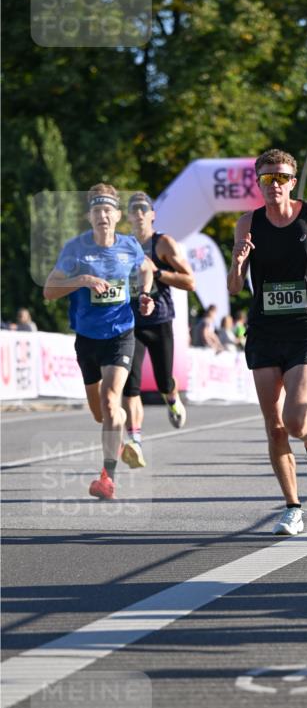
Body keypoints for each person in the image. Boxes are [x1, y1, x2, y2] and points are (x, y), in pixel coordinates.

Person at [228, 148, 307, 536]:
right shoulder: (247, 223)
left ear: (292, 182)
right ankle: (293, 507)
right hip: (264, 330)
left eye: (281, 177)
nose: (274, 184)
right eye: (267, 178)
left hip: (306, 326)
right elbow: (233, 288)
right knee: (274, 426)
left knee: (296, 420)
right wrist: (239, 262)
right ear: (259, 183)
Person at [43, 183, 154, 499]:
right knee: (101, 413)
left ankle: (108, 477)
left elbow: (147, 268)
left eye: (108, 210)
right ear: (88, 216)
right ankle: (119, 431)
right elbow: (49, 291)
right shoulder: (75, 249)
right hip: (87, 339)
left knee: (110, 400)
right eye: (97, 210)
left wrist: (145, 294)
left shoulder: (129, 246)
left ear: (117, 215)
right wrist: (82, 280)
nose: (103, 215)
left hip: (120, 335)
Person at [120, 191, 195, 469]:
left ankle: (172, 399)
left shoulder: (163, 243)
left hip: (160, 320)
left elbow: (190, 281)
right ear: (127, 216)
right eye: (133, 209)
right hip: (130, 322)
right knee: (131, 383)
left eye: (143, 208)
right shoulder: (123, 245)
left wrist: (159, 272)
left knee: (164, 381)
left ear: (152, 214)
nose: (138, 213)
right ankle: (135, 440)